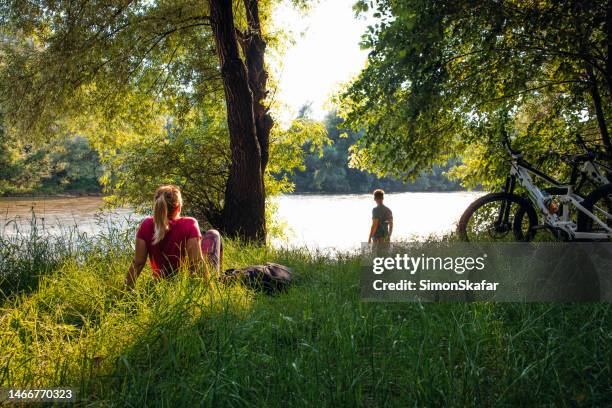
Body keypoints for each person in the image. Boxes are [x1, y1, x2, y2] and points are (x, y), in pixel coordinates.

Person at [125, 185, 222, 289]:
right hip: (188, 283)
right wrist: (211, 290)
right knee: (213, 234)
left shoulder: (146, 224)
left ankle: (219, 280)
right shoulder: (189, 223)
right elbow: (196, 262)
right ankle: (217, 281)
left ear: (156, 205)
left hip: (160, 283)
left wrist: (125, 291)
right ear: (179, 206)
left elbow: (138, 263)